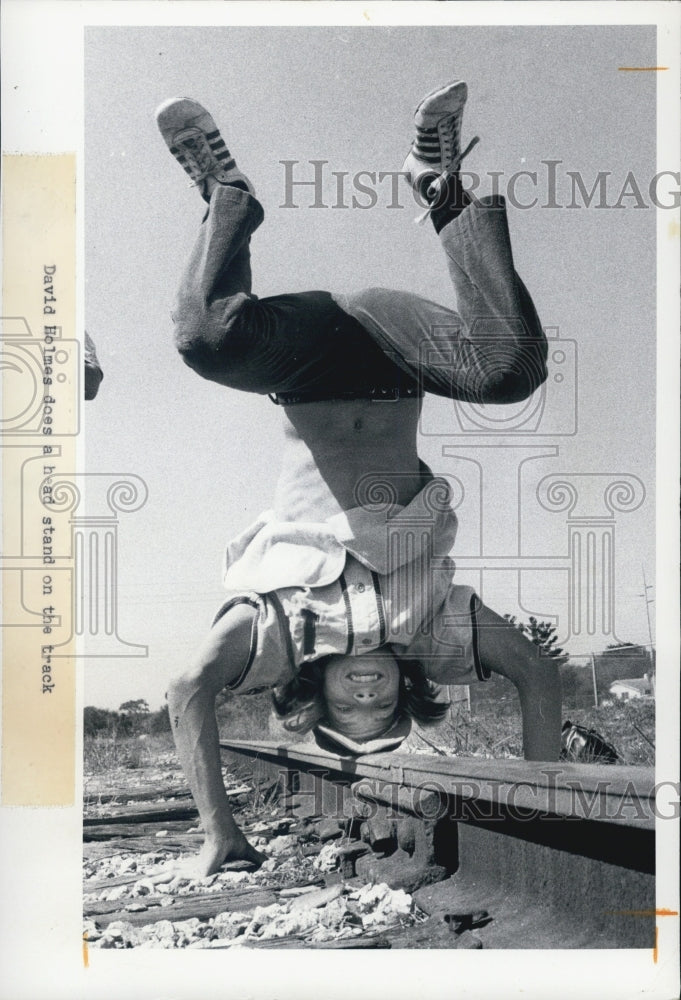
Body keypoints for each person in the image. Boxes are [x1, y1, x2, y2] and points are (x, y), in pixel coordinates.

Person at [157, 82, 562, 875]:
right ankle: (439, 190)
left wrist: (220, 830)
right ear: (408, 691)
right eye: (384, 707)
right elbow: (535, 673)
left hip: (301, 362)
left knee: (204, 339)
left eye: (352, 706)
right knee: (511, 371)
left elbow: (186, 688)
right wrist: (540, 789)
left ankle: (226, 196)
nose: (370, 694)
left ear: (314, 692)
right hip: (394, 351)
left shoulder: (275, 637)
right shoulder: (431, 632)